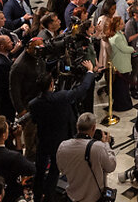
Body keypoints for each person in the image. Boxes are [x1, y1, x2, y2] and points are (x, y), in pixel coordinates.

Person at [30, 62, 97, 201]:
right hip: (59, 141)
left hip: (43, 140)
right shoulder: (62, 97)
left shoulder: (33, 104)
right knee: (54, 170)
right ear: (51, 85)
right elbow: (82, 89)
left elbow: (36, 121)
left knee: (40, 170)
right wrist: (90, 72)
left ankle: (37, 196)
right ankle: (48, 196)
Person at [55, 112, 116, 202]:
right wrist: (107, 145)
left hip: (73, 197)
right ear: (94, 127)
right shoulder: (98, 147)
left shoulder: (63, 146)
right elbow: (111, 166)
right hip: (94, 198)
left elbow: (61, 169)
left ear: (77, 126)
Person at [107, 16, 134, 112]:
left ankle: (124, 103)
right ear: (117, 26)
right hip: (121, 63)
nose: (123, 25)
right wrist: (132, 49)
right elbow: (124, 48)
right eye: (122, 23)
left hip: (122, 61)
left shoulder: (118, 34)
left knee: (123, 85)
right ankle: (121, 105)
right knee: (122, 86)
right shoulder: (117, 37)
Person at [0, 35, 16, 121]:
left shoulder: (0, 56)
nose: (12, 43)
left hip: (3, 97)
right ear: (2, 46)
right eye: (9, 42)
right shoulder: (1, 64)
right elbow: (7, 83)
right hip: (4, 100)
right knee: (8, 119)